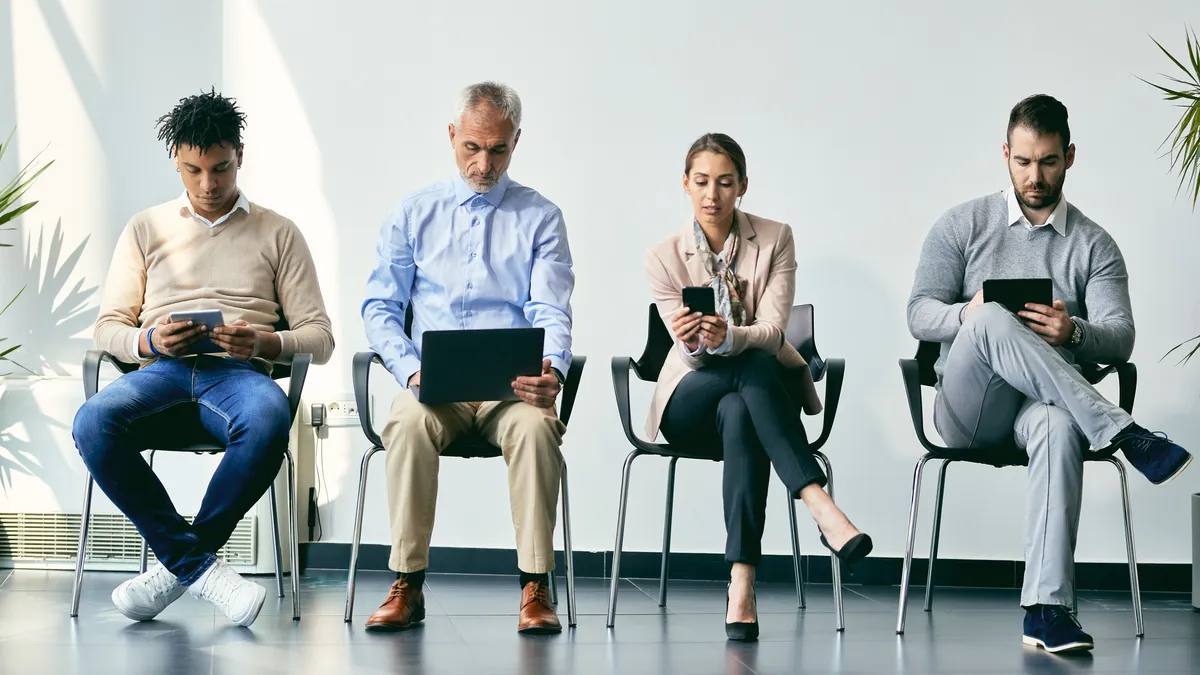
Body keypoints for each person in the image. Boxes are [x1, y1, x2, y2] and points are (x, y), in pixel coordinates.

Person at [908, 94, 1191, 654]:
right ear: (1006, 154)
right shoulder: (962, 224)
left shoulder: (1094, 244)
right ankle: (1123, 431)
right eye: (1023, 162)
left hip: (1041, 408)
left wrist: (1074, 333)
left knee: (1061, 427)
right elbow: (919, 312)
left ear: (1070, 157)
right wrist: (971, 312)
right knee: (989, 316)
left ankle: (1046, 609)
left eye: (1049, 162)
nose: (1034, 176)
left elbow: (1121, 334)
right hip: (969, 411)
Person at [73, 90, 334, 627]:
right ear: (177, 161)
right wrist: (149, 343)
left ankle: (176, 569)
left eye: (219, 168)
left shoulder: (278, 232)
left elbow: (320, 337)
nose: (207, 185)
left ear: (241, 154)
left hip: (238, 375)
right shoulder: (146, 228)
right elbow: (108, 328)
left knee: (268, 418)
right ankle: (200, 568)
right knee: (92, 421)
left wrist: (262, 343)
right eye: (192, 170)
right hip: (161, 374)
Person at [361, 81, 574, 635]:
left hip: (513, 391)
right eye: (472, 148)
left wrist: (551, 369)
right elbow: (380, 307)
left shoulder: (542, 217)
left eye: (498, 150)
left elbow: (552, 308)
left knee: (536, 428)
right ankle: (408, 583)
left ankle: (535, 585)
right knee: (406, 421)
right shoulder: (414, 213)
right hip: (436, 389)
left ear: (516, 143)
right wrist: (411, 369)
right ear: (452, 136)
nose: (484, 164)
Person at [643, 133, 872, 642]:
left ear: (743, 185)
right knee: (752, 370)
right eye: (701, 182)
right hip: (689, 400)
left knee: (746, 397)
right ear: (685, 184)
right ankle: (821, 506)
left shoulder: (775, 238)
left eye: (725, 183)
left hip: (747, 405)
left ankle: (741, 584)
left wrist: (732, 336)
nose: (713, 195)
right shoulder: (663, 256)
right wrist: (694, 343)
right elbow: (689, 355)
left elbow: (773, 331)